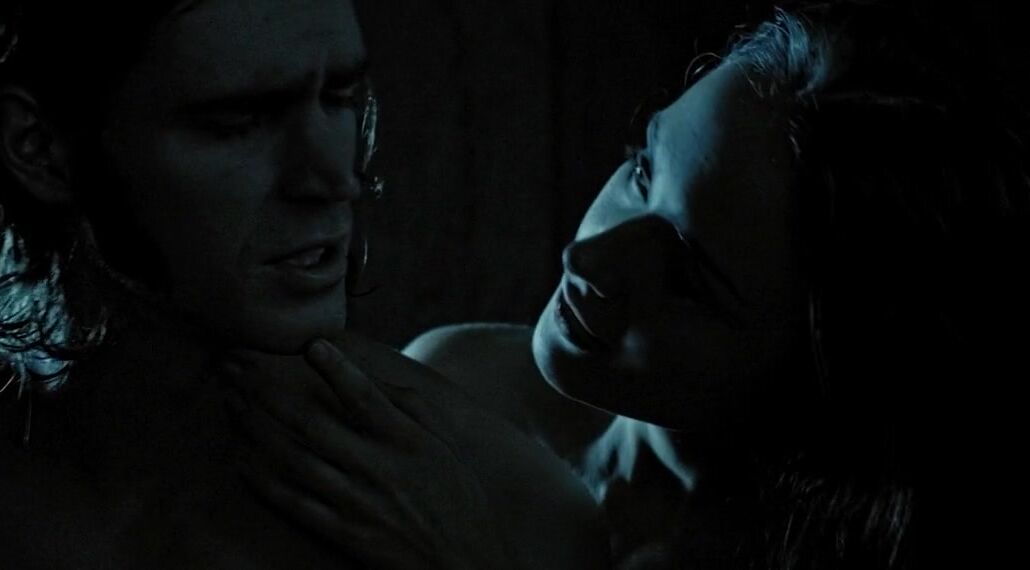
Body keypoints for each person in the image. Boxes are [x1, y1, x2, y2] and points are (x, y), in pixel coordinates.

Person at [0, 1, 611, 567]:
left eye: (341, 98)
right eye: (238, 122)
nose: (332, 177)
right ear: (40, 148)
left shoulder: (504, 512)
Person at [231, 2, 1030, 568]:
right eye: (643, 170)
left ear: (818, 374)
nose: (590, 260)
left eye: (687, 278)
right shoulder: (460, 386)